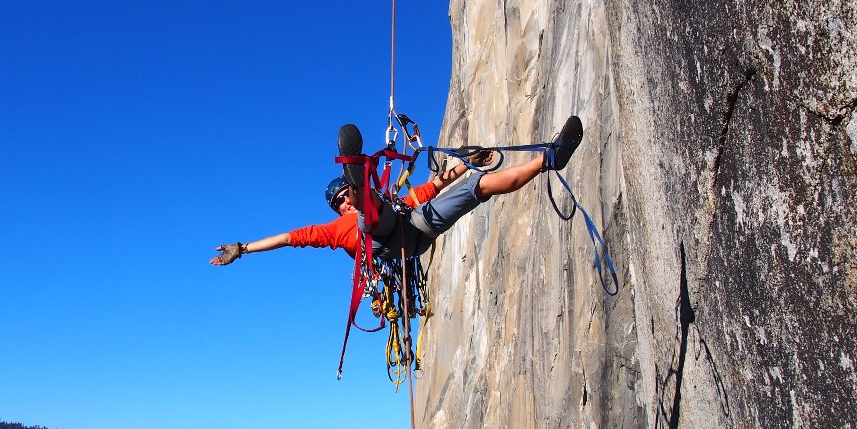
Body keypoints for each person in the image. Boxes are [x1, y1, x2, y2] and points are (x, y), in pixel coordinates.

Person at [209, 117, 583, 266]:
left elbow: (433, 185)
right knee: (371, 222)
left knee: (477, 187)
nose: (341, 202)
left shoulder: (395, 202)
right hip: (382, 244)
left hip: (415, 227)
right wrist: (243, 248)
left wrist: (468, 163)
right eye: (339, 200)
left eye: (344, 195)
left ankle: (549, 158)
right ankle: (361, 182)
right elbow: (289, 238)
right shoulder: (334, 231)